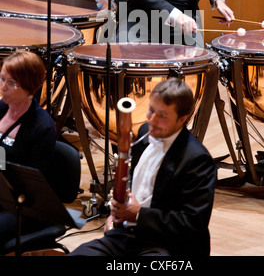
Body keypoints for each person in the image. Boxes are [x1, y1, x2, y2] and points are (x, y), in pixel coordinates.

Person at [69, 78, 216, 258]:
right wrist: (115, 214)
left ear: (182, 119)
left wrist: (138, 215)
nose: (152, 120)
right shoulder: (146, 133)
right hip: (126, 236)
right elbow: (132, 188)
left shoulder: (197, 161)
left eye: (162, 115)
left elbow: (192, 224)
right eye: (151, 110)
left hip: (167, 245)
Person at [0, 50, 56, 251]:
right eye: (2, 79)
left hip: (25, 207)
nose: (3, 87)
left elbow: (33, 187)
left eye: (11, 83)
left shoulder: (42, 128)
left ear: (29, 86)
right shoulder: (1, 108)